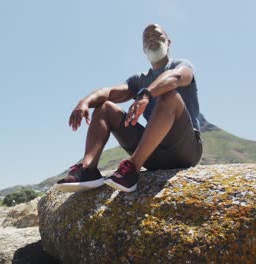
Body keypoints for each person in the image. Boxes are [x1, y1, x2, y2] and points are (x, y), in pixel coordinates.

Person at [55, 24, 203, 193]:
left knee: (168, 95)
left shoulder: (181, 65)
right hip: (153, 154)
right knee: (104, 108)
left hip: (185, 150)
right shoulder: (139, 80)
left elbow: (176, 78)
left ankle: (132, 168)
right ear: (143, 49)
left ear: (169, 42)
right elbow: (109, 92)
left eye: (157, 35)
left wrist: (147, 94)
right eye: (146, 38)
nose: (151, 38)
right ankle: (88, 170)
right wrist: (85, 102)